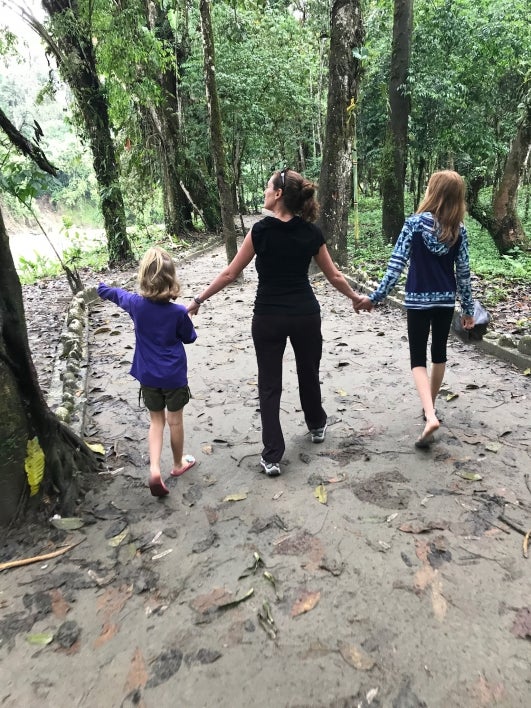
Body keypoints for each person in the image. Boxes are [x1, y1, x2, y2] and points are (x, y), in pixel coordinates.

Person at [187, 168, 367, 477]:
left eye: (269, 188)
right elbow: (333, 274)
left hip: (268, 317)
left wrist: (198, 300)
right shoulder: (311, 232)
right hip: (305, 316)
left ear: (279, 194)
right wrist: (354, 297)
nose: (266, 193)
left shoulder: (261, 231)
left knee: (269, 385)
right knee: (308, 371)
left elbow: (231, 273)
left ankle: (272, 455)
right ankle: (317, 424)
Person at [357, 170, 475, 448]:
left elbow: (396, 264)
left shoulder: (413, 224)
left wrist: (376, 297)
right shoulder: (459, 231)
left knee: (417, 359)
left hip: (418, 300)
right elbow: (464, 273)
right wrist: (468, 308)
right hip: (445, 301)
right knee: (439, 354)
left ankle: (430, 414)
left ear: (432, 192)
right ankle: (429, 407)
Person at [97, 247, 197, 497]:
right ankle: (177, 464)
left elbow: (116, 294)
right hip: (174, 376)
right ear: (172, 279)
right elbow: (190, 338)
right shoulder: (178, 312)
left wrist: (101, 288)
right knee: (175, 421)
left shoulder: (135, 305)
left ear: (143, 277)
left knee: (156, 421)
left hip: (148, 376)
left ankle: (154, 469)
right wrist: (188, 317)